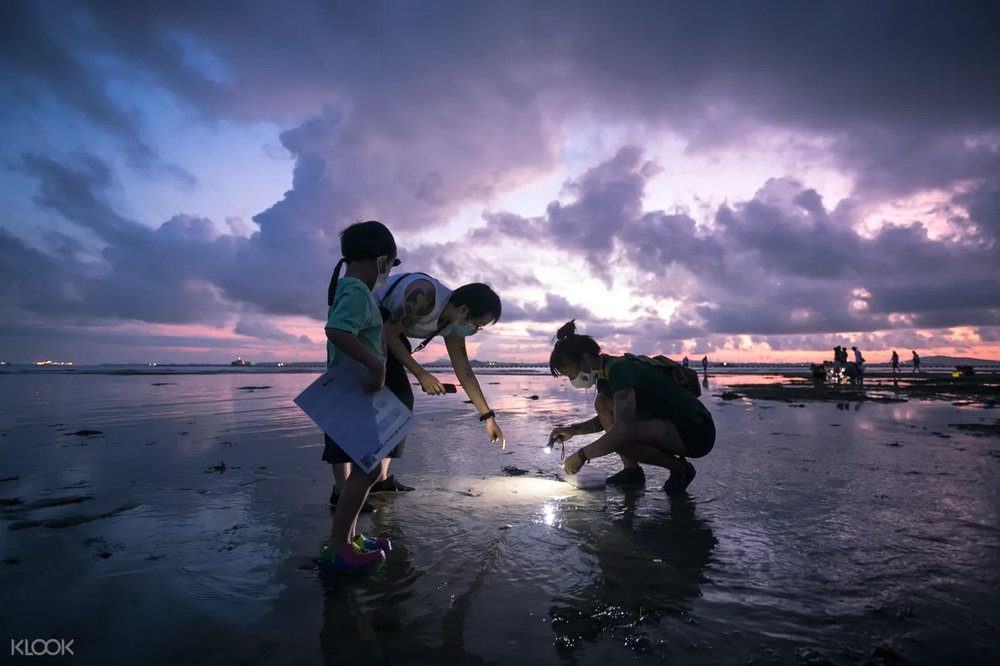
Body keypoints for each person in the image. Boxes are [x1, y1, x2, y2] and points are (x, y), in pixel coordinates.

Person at [325, 273, 505, 505]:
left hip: (387, 336)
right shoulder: (424, 294)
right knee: (352, 405)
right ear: (464, 311)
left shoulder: (451, 325)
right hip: (363, 329)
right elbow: (388, 334)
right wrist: (421, 374)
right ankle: (341, 490)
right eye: (477, 325)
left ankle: (379, 479)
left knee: (400, 403)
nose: (474, 330)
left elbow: (465, 373)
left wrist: (488, 416)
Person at [317, 220, 399, 574]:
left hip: (354, 391)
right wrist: (375, 365)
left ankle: (348, 539)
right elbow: (336, 330)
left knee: (367, 468)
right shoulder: (355, 291)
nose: (390, 273)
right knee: (368, 469)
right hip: (353, 392)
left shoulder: (351, 289)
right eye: (392, 266)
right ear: (382, 262)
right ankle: (338, 547)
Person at [547, 321, 715, 493]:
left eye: (570, 373)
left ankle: (681, 470)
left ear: (584, 359)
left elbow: (622, 430)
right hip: (670, 426)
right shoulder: (605, 376)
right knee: (603, 403)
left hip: (697, 431)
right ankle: (631, 471)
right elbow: (612, 419)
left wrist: (581, 456)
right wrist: (573, 430)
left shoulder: (620, 370)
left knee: (620, 439)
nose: (572, 379)